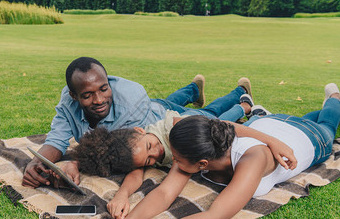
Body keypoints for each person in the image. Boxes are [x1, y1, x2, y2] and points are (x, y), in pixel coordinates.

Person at [76, 83, 340, 219]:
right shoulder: (198, 144)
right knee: (294, 117)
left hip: (310, 137)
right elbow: (164, 194)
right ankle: (263, 114)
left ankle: (334, 97)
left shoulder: (253, 158)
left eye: (177, 159)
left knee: (328, 122)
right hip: (266, 124)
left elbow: (213, 218)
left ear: (202, 164)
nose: (172, 163)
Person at [22, 56, 253, 188]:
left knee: (210, 116)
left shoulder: (131, 102)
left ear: (109, 82)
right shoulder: (68, 101)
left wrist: (76, 162)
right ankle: (193, 89)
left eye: (104, 89)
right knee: (169, 100)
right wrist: (36, 162)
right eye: (87, 95)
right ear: (74, 95)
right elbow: (56, 140)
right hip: (154, 108)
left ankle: (241, 98)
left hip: (165, 121)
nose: (99, 99)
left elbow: (113, 151)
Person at [73, 99, 274, 219]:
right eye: (148, 162)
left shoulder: (172, 129)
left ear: (141, 131)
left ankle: (245, 106)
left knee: (218, 117)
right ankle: (252, 112)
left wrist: (273, 142)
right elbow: (134, 176)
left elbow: (226, 126)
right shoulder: (138, 155)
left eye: (150, 146)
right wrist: (121, 195)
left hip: (193, 123)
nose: (157, 154)